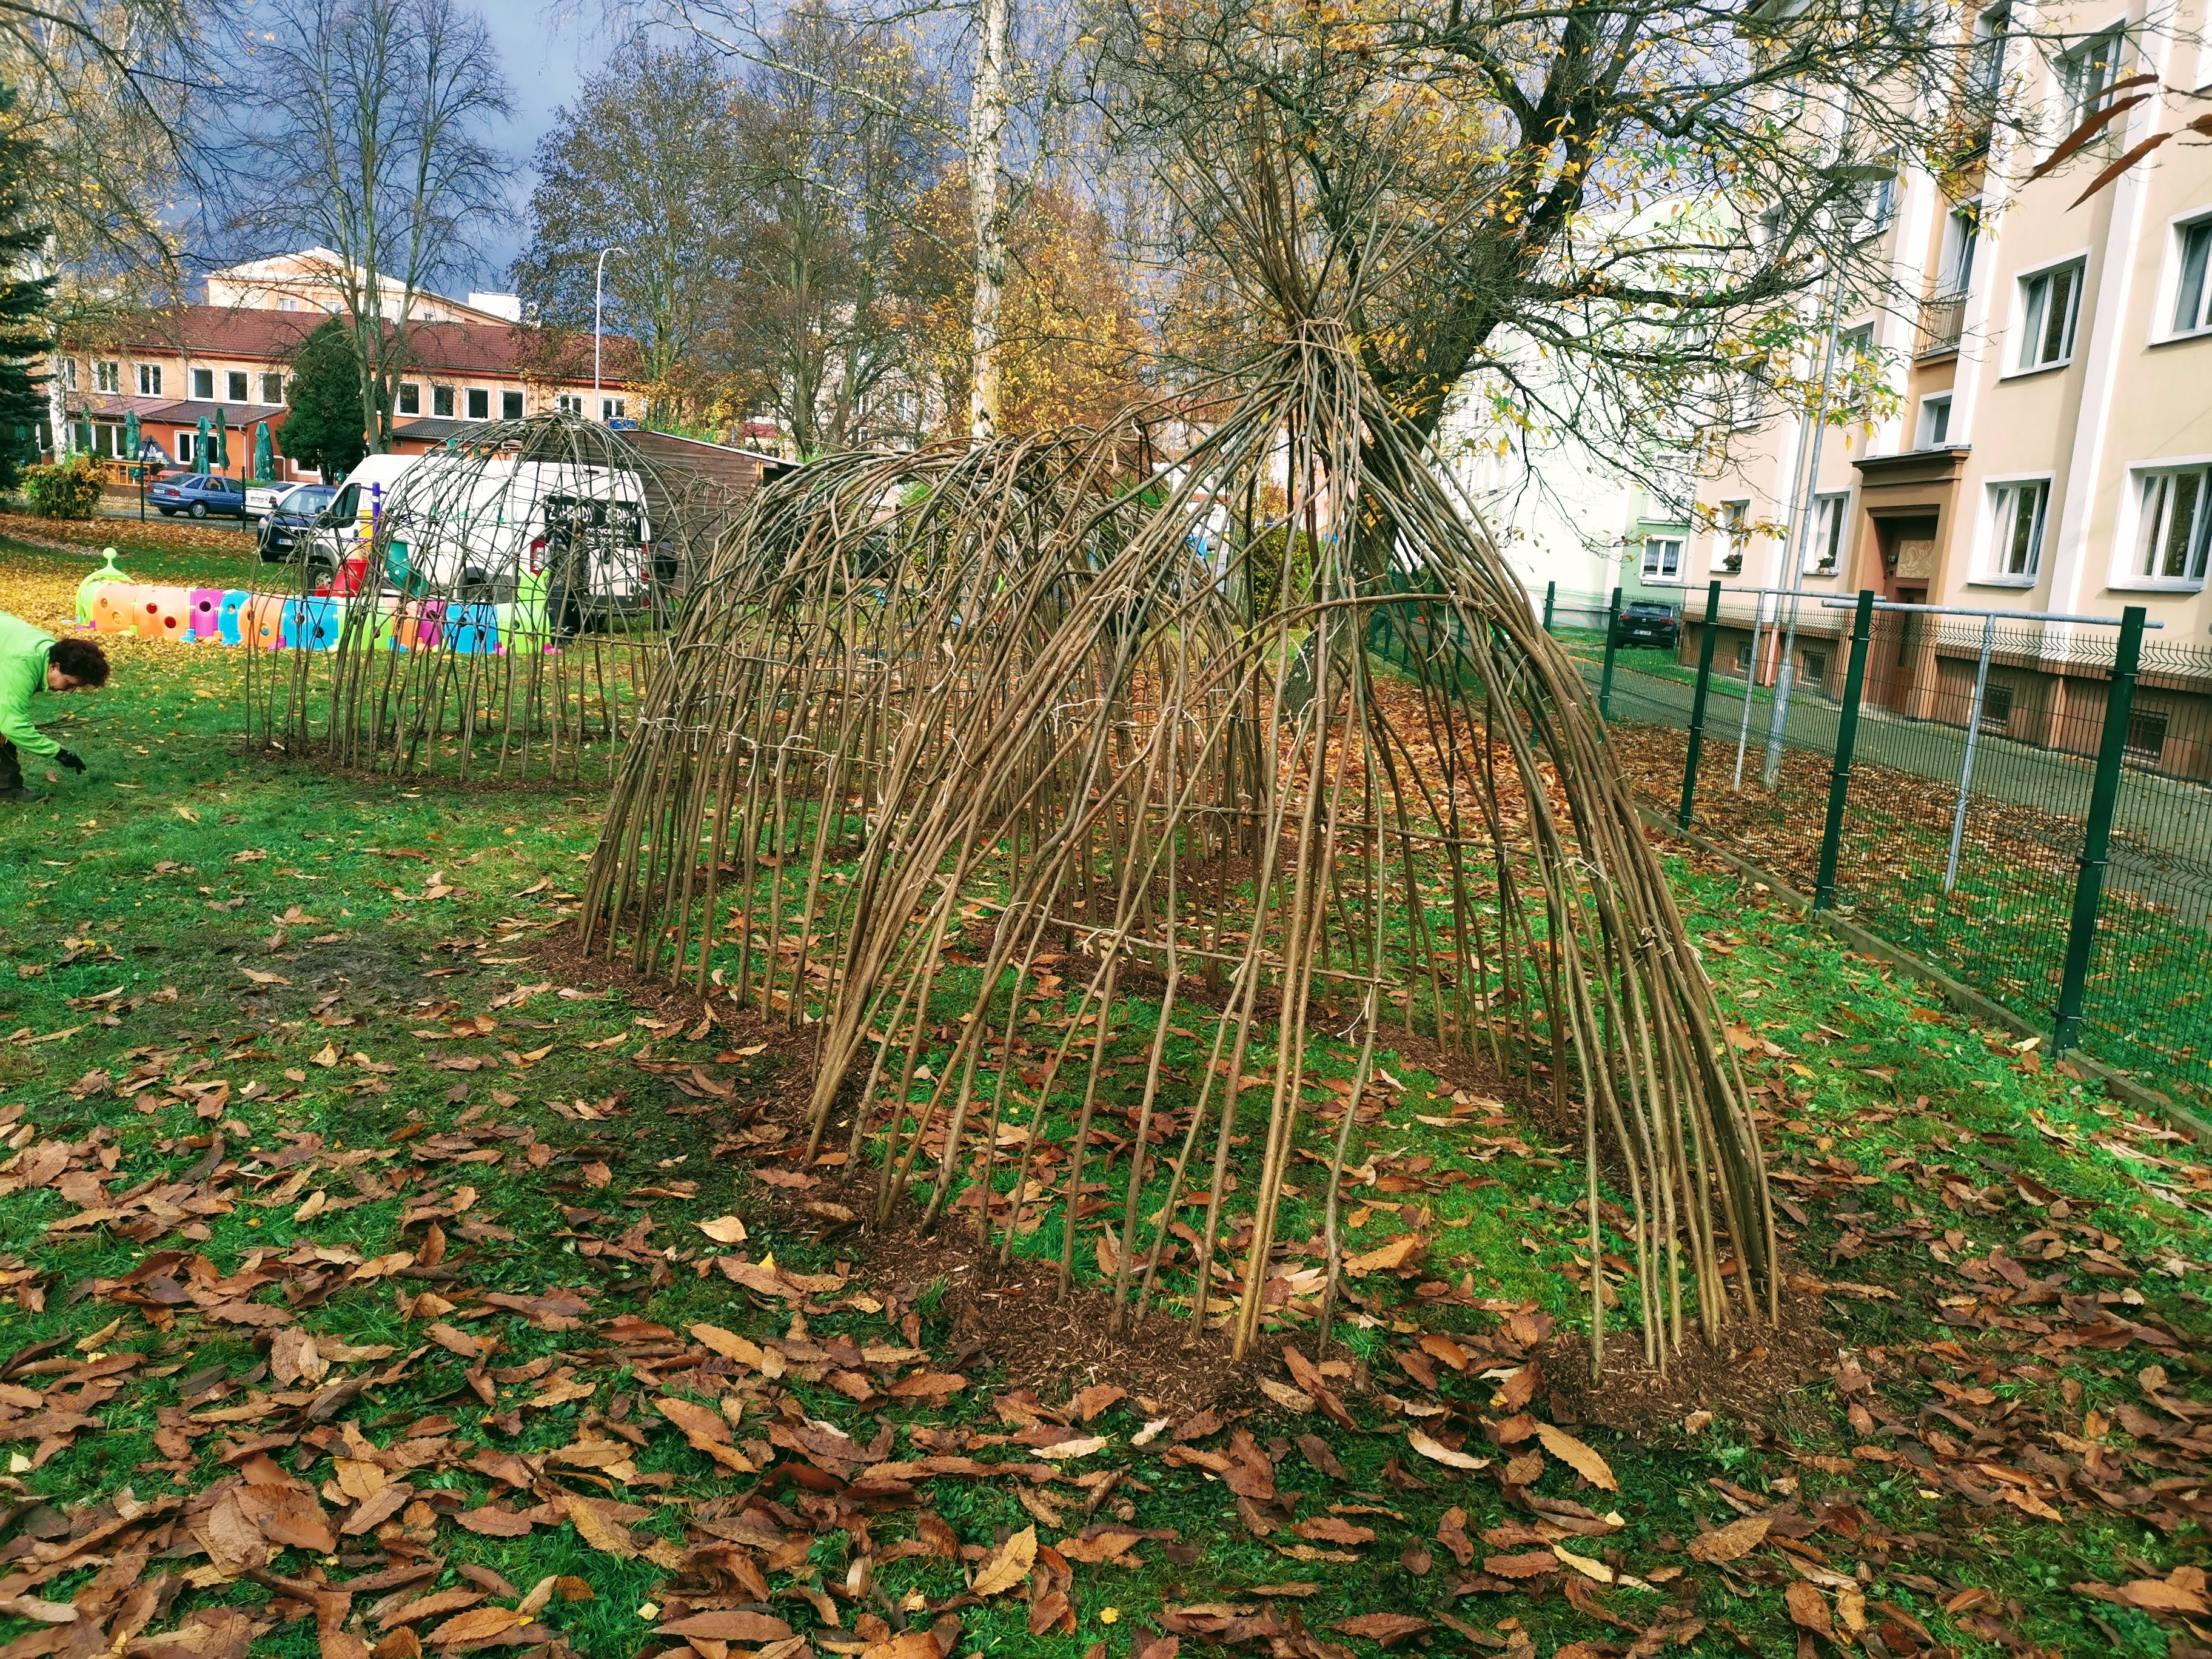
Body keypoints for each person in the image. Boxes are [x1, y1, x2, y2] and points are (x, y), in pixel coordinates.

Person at [0, 611, 107, 804]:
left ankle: (7, 787)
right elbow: (13, 725)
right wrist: (59, 753)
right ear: (54, 667)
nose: (71, 691)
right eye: (69, 684)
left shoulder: (49, 650)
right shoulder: (23, 664)